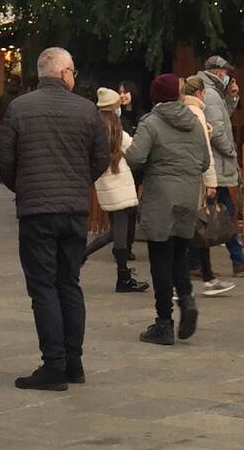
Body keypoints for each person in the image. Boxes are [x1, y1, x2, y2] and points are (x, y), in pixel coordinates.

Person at [0, 46, 107, 392]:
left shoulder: (19, 108)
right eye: (73, 70)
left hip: (37, 210)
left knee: (43, 286)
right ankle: (73, 362)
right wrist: (77, 182)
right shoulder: (87, 110)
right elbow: (100, 157)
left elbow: (5, 159)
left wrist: (24, 186)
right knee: (68, 283)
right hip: (73, 210)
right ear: (63, 73)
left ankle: (53, 363)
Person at [125, 74, 209, 347]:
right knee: (180, 255)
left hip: (161, 197)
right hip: (188, 196)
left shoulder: (151, 122)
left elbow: (136, 157)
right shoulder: (194, 122)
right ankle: (186, 298)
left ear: (155, 96)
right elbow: (205, 161)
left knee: (160, 259)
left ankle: (164, 323)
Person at [196, 56, 244, 279]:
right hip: (215, 163)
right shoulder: (211, 95)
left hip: (214, 164)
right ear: (218, 72)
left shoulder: (213, 94)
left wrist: (232, 99)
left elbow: (222, 118)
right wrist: (231, 152)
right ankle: (230, 259)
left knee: (220, 211)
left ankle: (235, 259)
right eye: (226, 74)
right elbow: (218, 131)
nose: (228, 78)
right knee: (220, 212)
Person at [83, 87, 147, 294]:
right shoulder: (116, 129)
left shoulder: (94, 127)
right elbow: (134, 150)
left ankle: (120, 273)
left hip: (105, 184)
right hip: (121, 184)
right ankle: (122, 277)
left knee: (116, 230)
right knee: (119, 232)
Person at [182, 76, 231, 296]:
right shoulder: (198, 113)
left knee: (195, 227)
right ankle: (195, 279)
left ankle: (207, 275)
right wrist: (211, 181)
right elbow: (205, 151)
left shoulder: (180, 110)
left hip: (183, 175)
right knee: (196, 226)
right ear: (200, 92)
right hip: (196, 177)